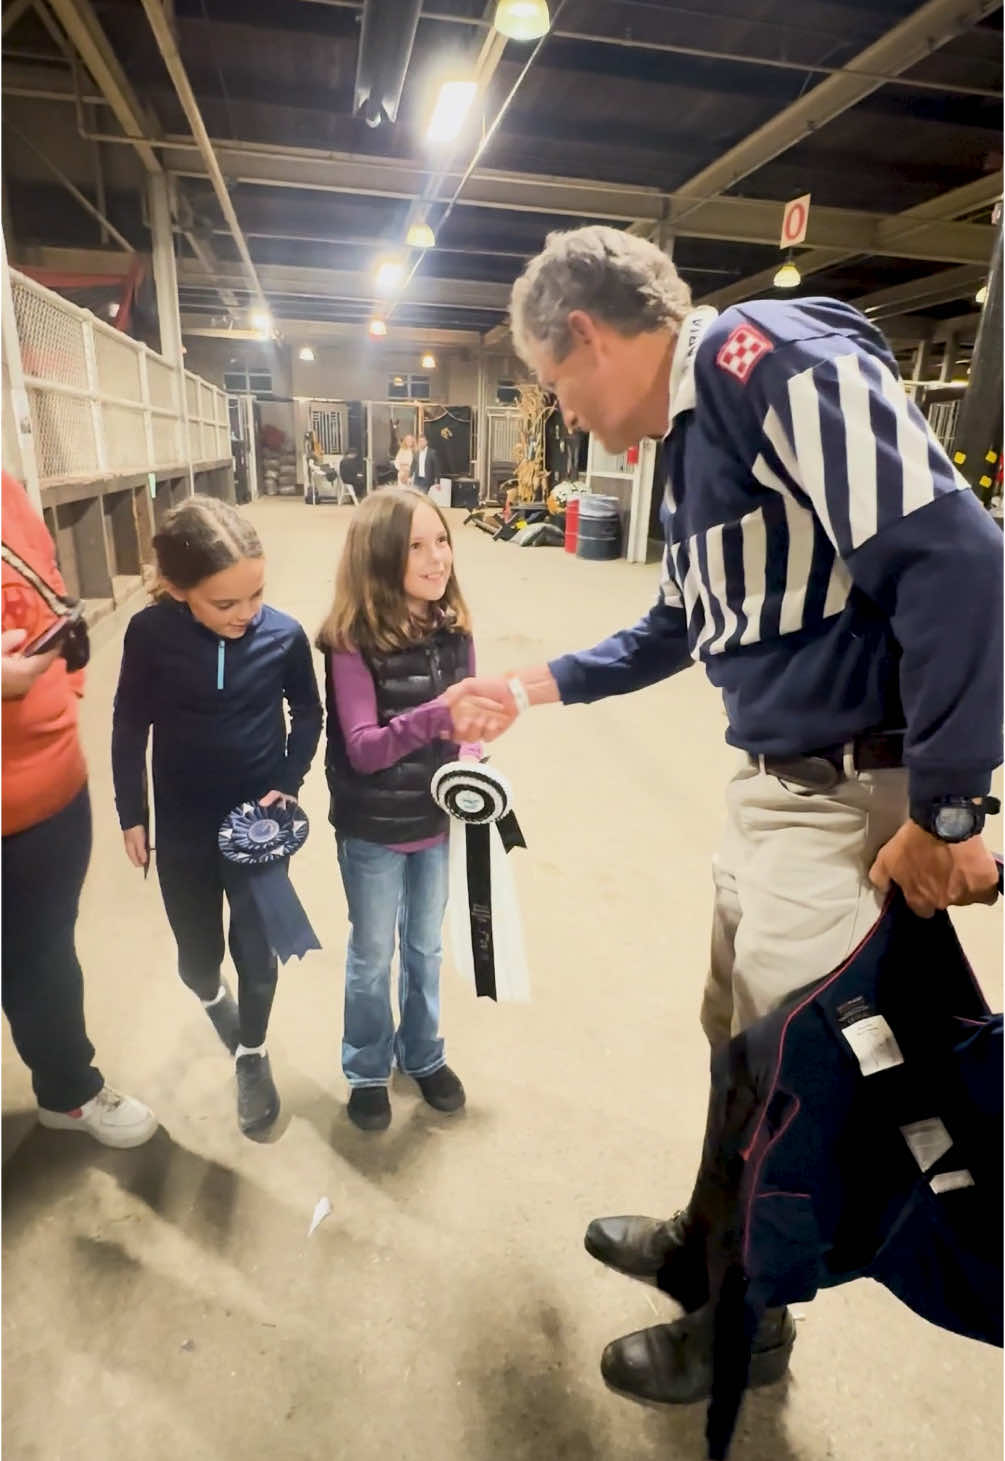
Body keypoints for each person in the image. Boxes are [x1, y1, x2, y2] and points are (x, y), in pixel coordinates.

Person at [446, 226, 1003, 1401]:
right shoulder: (694, 443)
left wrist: (949, 810)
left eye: (556, 386)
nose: (566, 414)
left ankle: (747, 1332)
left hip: (852, 795)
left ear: (587, 337)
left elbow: (960, 560)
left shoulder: (771, 363)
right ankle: (707, 1250)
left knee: (797, 1084)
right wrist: (533, 686)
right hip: (770, 789)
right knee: (737, 1053)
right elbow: (680, 621)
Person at [112, 496, 322, 1137]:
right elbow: (129, 724)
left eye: (255, 595)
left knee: (257, 958)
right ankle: (210, 996)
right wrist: (132, 813)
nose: (245, 614)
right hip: (181, 828)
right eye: (224, 603)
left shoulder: (283, 636)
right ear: (178, 590)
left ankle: (253, 1055)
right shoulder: (149, 635)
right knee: (197, 957)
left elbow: (308, 715)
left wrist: (288, 783)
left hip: (256, 831)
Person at [316, 487, 502, 1132]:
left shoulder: (456, 630)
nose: (437, 559)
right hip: (372, 828)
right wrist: (438, 714)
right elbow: (364, 750)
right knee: (372, 954)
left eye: (442, 541)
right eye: (417, 547)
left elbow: (467, 722)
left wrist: (472, 755)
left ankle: (422, 1054)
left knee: (423, 947)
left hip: (435, 822)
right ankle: (366, 1067)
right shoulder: (349, 642)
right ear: (379, 558)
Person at [2, 470, 157, 1148]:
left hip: (49, 791)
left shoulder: (6, 489)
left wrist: (66, 690)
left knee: (43, 953)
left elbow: (45, 590)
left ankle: (66, 1091)